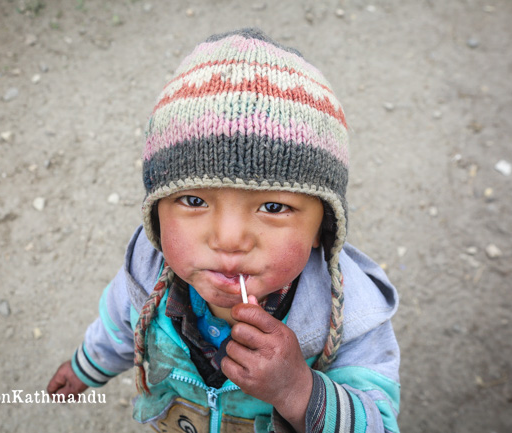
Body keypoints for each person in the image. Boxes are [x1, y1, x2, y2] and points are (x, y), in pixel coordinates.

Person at [47, 28, 400, 433]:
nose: (229, 238)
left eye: (273, 206)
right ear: (156, 212)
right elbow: (119, 326)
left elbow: (381, 425)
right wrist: (85, 368)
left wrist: (298, 391)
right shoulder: (145, 272)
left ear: (324, 227)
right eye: (194, 201)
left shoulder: (352, 315)